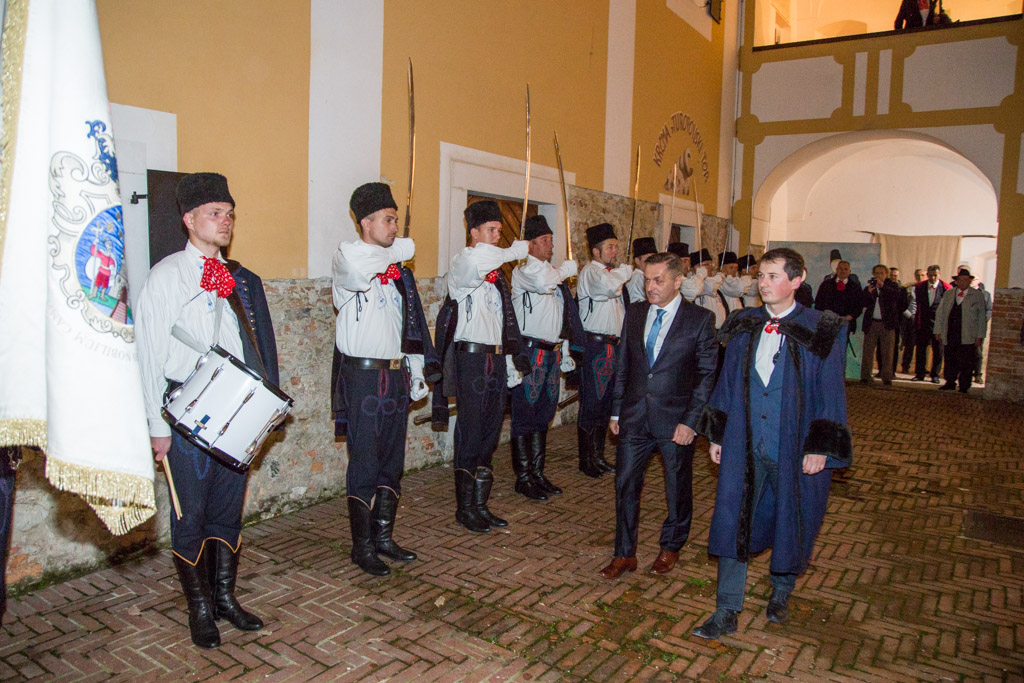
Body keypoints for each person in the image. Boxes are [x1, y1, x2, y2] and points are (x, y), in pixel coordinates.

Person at [136, 172, 273, 649]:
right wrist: (156, 427)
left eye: (229, 214)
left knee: (226, 510)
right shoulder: (166, 276)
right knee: (189, 513)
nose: (225, 221)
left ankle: (225, 598)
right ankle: (198, 609)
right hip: (186, 413)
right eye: (215, 213)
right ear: (189, 220)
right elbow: (149, 356)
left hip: (233, 410)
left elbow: (251, 345)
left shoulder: (236, 278)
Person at [693, 247, 851, 640]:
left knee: (791, 517)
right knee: (733, 518)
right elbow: (728, 381)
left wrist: (820, 446)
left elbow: (830, 391)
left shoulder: (821, 328)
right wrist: (718, 434)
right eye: (761, 276)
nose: (763, 284)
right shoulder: (744, 323)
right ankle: (726, 608)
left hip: (793, 445)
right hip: (745, 441)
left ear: (797, 280)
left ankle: (781, 589)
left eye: (773, 276)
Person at [331, 182, 440, 575]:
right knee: (364, 461)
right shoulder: (348, 257)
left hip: (394, 375)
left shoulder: (397, 276)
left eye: (395, 220)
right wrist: (400, 249)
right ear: (366, 222)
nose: (395, 227)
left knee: (392, 460)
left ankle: (383, 537)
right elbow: (362, 266)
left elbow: (408, 326)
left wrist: (415, 369)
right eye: (388, 220)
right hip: (362, 377)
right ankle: (361, 547)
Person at [598, 253, 717, 578]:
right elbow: (623, 365)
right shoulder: (635, 313)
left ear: (677, 281)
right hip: (634, 416)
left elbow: (706, 376)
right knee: (625, 485)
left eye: (658, 280)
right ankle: (624, 554)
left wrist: (690, 422)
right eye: (647, 279)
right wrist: (616, 411)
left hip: (676, 421)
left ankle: (670, 546)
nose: (650, 287)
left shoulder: (699, 319)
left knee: (677, 486)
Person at [432, 201, 530, 533]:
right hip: (471, 359)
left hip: (495, 358)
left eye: (500, 230)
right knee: (471, 429)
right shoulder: (464, 262)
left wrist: (510, 361)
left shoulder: (496, 278)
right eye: (491, 230)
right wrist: (513, 251)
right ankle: (465, 508)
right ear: (473, 232)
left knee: (490, 430)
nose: (497, 236)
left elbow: (504, 323)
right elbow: (480, 260)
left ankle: (480, 504)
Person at [509, 215, 583, 500]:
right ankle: (523, 477)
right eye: (545, 240)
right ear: (530, 244)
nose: (551, 245)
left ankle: (537, 473)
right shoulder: (525, 270)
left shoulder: (553, 272)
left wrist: (565, 349)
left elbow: (562, 316)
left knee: (544, 414)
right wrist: (565, 270)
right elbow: (544, 283)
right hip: (530, 352)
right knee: (524, 413)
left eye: (552, 239)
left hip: (552, 352)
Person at [576, 223, 633, 478]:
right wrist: (624, 272)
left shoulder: (612, 274)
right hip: (595, 346)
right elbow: (608, 288)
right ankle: (586, 459)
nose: (615, 251)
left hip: (613, 345)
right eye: (610, 247)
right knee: (592, 401)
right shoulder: (591, 272)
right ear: (596, 252)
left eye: (616, 247)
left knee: (606, 402)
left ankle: (598, 455)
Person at [935, 268, 987, 393]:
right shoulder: (949, 294)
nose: (963, 282)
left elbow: (981, 317)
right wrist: (938, 330)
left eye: (965, 279)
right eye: (960, 279)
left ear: (970, 281)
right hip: (950, 332)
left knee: (966, 361)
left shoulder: (977, 295)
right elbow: (940, 313)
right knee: (950, 358)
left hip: (968, 333)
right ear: (956, 281)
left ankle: (964, 385)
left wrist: (980, 335)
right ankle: (950, 381)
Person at [859, 265, 901, 385]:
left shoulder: (892, 286)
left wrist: (882, 287)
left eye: (881, 273)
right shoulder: (870, 287)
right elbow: (862, 303)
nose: (879, 275)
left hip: (887, 324)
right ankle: (866, 376)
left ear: (886, 274)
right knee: (868, 351)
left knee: (887, 352)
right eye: (876, 273)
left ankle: (887, 377)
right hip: (871, 323)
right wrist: (868, 292)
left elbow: (897, 298)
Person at [911, 265, 950, 383]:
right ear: (927, 275)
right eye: (930, 275)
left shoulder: (946, 288)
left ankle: (935, 374)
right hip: (923, 323)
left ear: (939, 275)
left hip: (939, 324)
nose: (933, 278)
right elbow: (916, 304)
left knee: (938, 350)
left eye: (935, 275)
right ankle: (920, 373)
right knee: (920, 349)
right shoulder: (920, 287)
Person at [814, 260, 863, 348]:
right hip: (827, 322)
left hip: (845, 323)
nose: (843, 271)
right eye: (840, 269)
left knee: (842, 348)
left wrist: (851, 316)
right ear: (836, 270)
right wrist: (824, 316)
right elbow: (818, 303)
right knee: (826, 348)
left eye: (845, 269)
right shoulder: (826, 285)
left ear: (849, 271)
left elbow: (859, 305)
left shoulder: (855, 287)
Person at [899, 268, 926, 373]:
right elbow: (902, 304)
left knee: (923, 345)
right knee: (909, 344)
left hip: (924, 319)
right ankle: (905, 366)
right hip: (911, 319)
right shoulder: (909, 289)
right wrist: (909, 316)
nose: (920, 277)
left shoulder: (930, 289)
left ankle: (921, 368)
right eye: (918, 275)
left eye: (922, 275)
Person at [625, 237, 657, 305]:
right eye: (648, 260)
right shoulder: (638, 278)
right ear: (637, 261)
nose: (652, 263)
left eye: (654, 259)